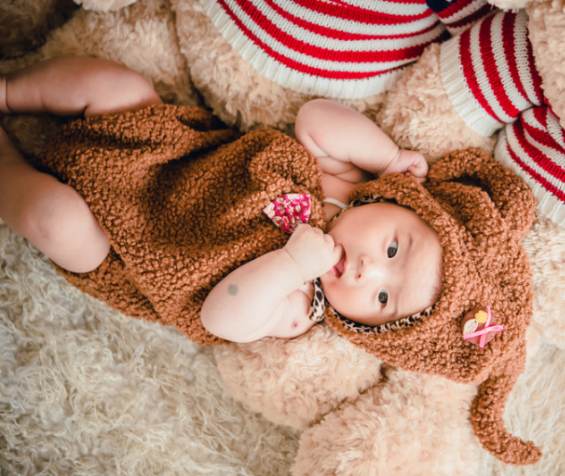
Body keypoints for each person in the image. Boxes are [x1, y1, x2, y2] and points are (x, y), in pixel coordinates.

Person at [0, 56, 443, 344]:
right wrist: (389, 158)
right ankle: (6, 90)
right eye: (391, 249)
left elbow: (221, 318)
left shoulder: (302, 304)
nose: (370, 271)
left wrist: (291, 265)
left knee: (55, 220)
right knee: (117, 86)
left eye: (382, 299)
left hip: (125, 249)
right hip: (167, 154)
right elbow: (316, 119)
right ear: (399, 203)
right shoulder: (347, 184)